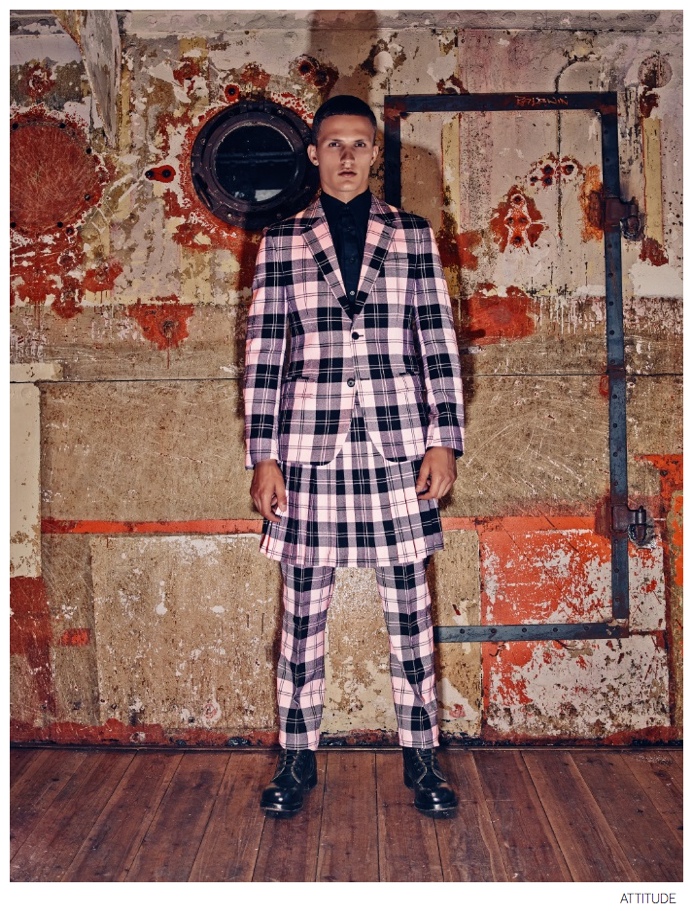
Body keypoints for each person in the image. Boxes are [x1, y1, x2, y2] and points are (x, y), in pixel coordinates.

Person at [243, 95, 464, 818]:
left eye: (359, 144)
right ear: (313, 154)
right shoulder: (282, 240)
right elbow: (264, 356)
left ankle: (422, 758)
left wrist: (443, 439)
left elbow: (437, 343)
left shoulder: (412, 235)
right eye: (333, 144)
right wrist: (264, 456)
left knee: (411, 613)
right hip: (308, 450)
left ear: (374, 153)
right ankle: (296, 758)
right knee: (301, 616)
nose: (346, 156)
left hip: (398, 446)